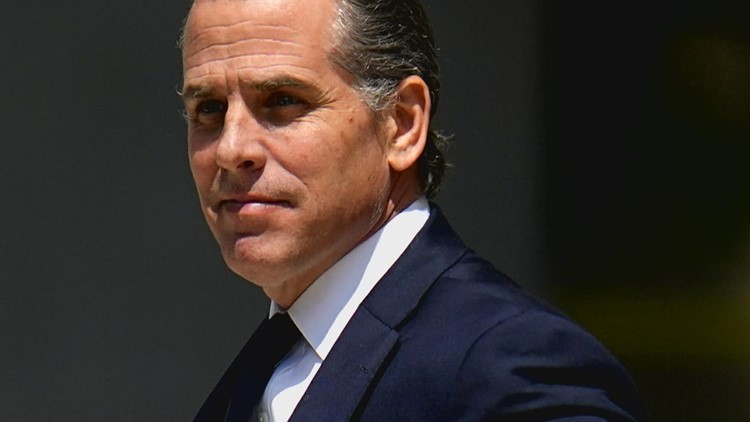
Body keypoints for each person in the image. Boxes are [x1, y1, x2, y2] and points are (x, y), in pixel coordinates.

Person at [180, 0, 645, 420]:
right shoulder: (265, 367)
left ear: (401, 124)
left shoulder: (507, 363)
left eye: (283, 101)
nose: (231, 149)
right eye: (209, 109)